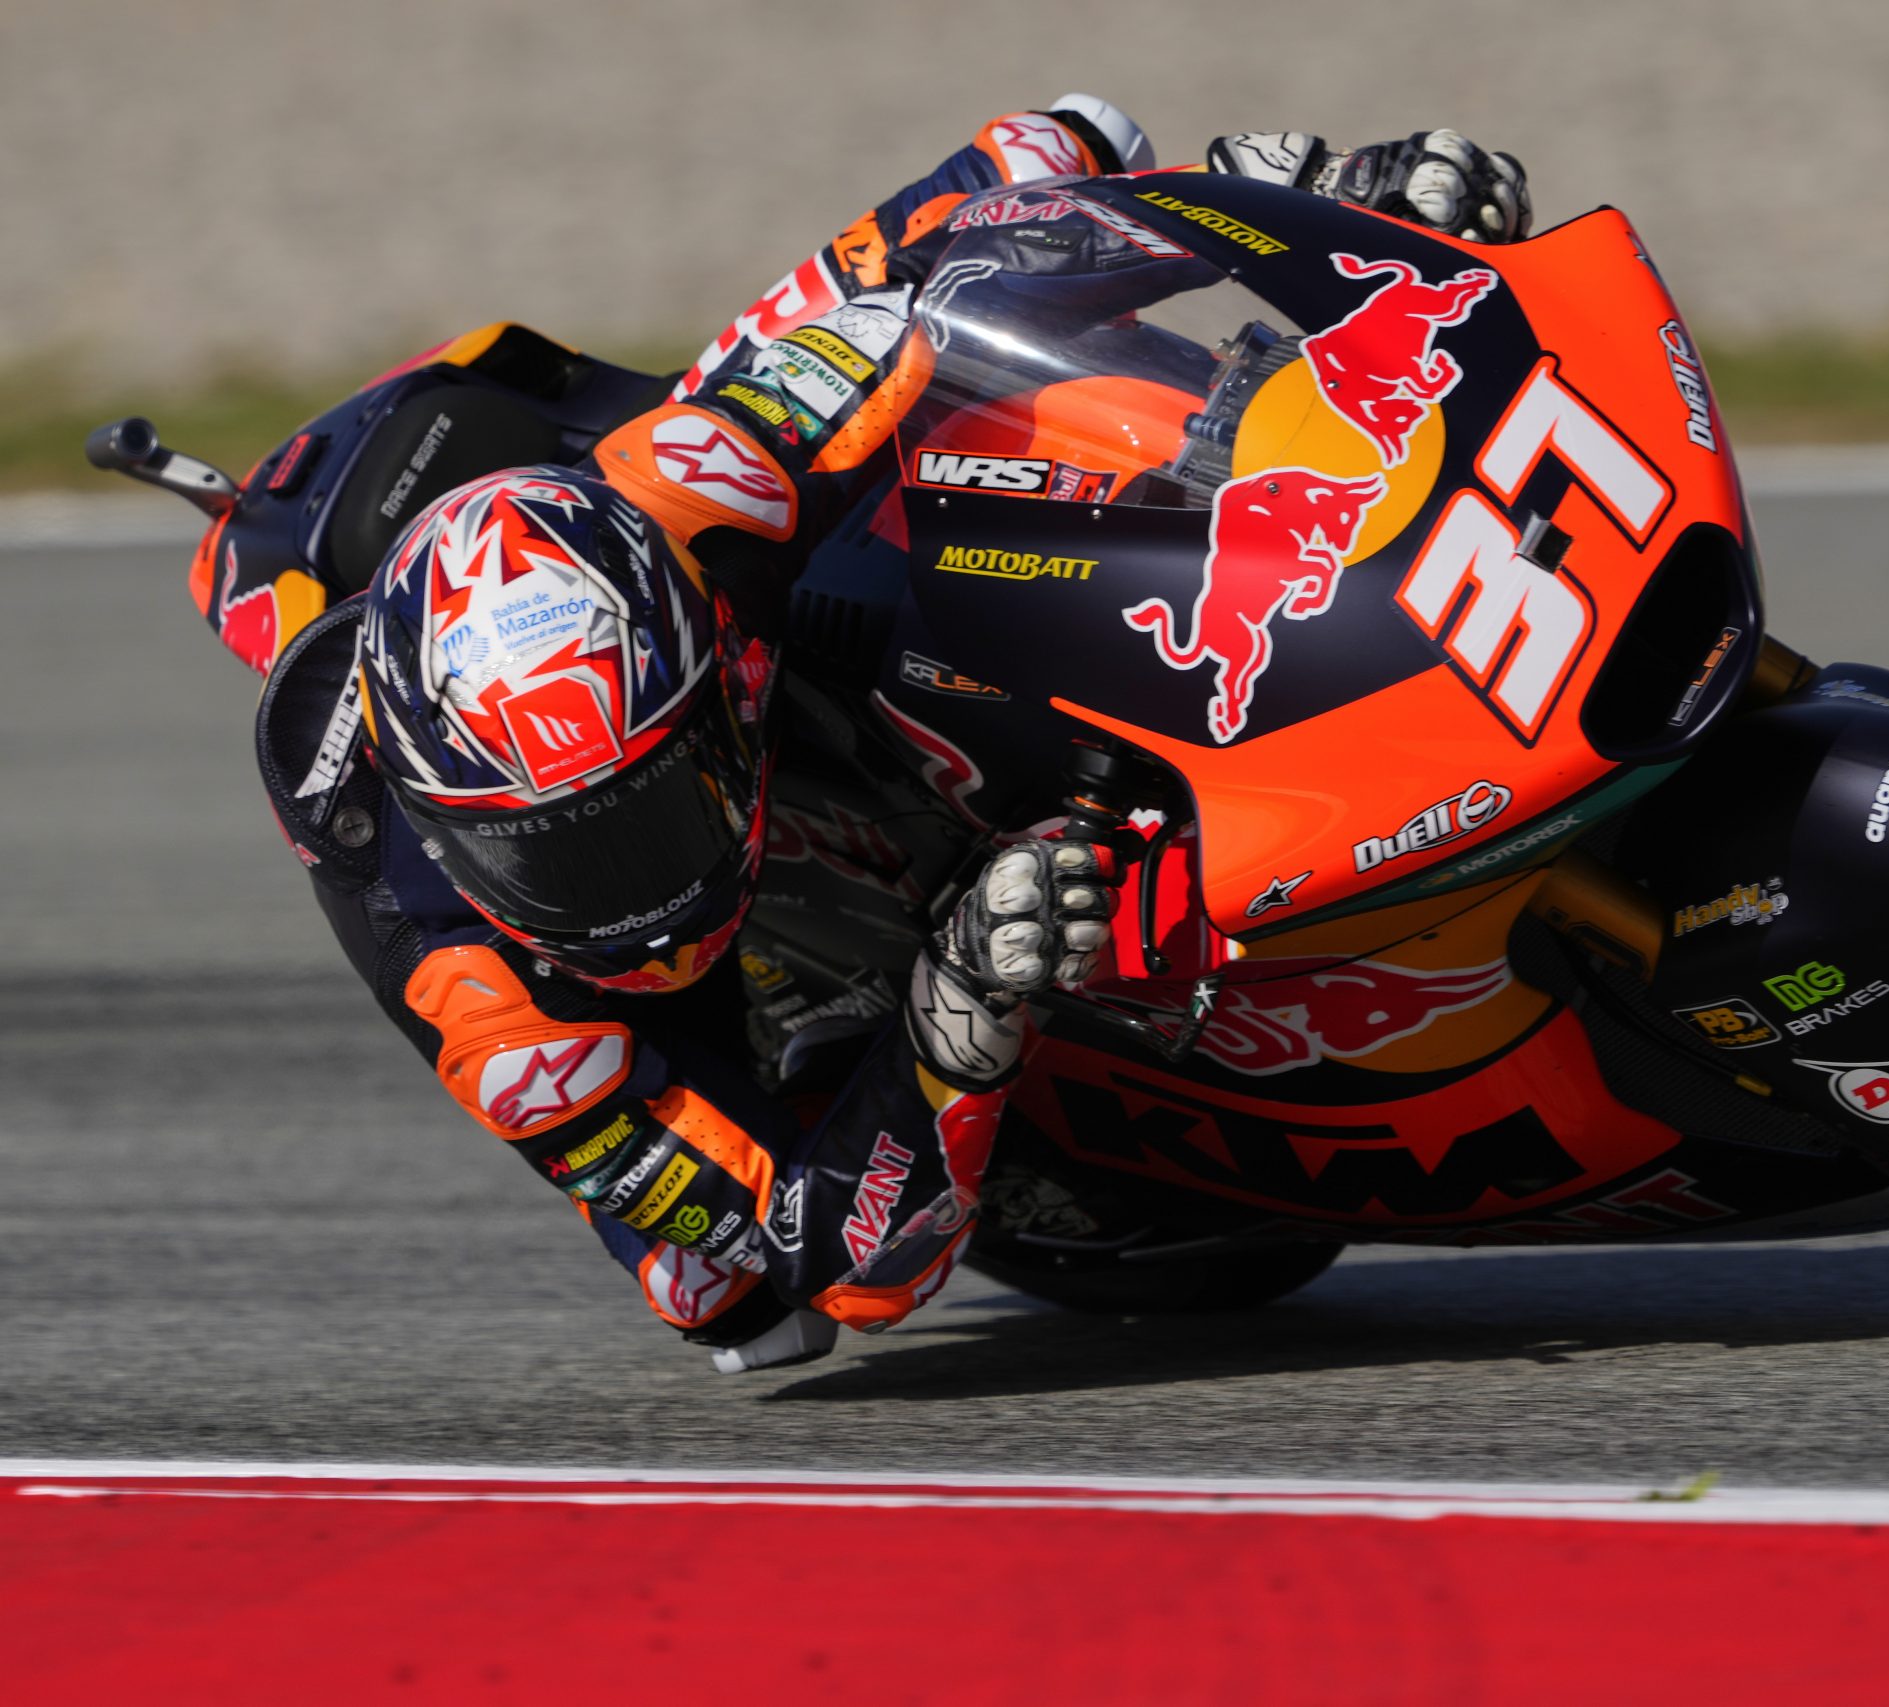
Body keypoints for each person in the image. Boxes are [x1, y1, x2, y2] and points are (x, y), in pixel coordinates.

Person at [234, 99, 1533, 1373]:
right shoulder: (489, 1001)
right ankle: (860, 1003)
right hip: (656, 1041)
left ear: (714, 671)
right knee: (738, 1306)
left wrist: (1301, 207)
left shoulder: (709, 474)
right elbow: (822, 1266)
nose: (630, 893)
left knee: (1015, 253)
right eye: (554, 855)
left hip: (668, 528)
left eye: (646, 817)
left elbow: (1000, 208)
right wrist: (957, 1004)